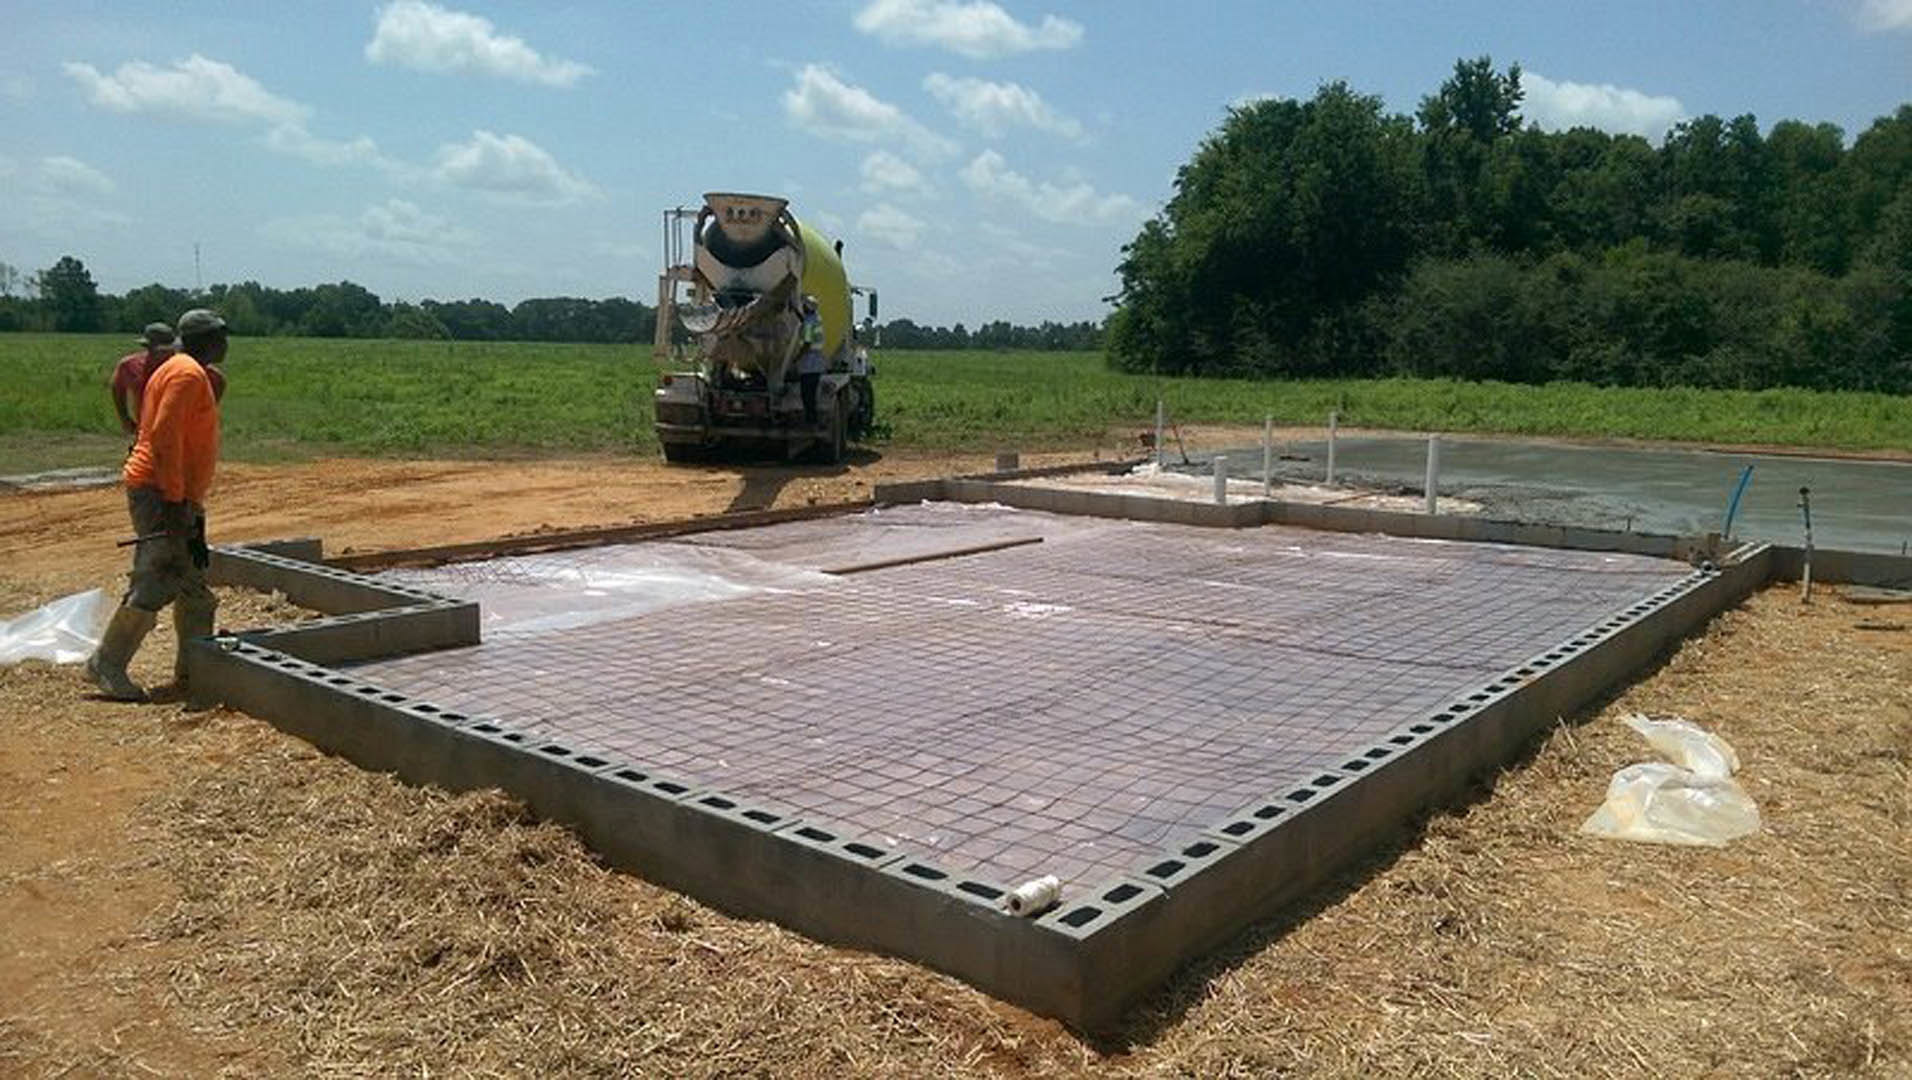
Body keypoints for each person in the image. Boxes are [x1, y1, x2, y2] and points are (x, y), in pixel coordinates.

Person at [85, 308, 228, 702]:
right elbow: (164, 437)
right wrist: (172, 503)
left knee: (194, 581)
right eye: (220, 336)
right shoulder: (185, 373)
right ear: (205, 341)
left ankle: (195, 671)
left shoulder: (178, 368)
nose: (226, 344)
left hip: (178, 495)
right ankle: (107, 664)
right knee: (158, 576)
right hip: (162, 493)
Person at [109, 323, 176, 436]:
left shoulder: (183, 367)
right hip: (145, 429)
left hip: (179, 430)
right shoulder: (129, 365)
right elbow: (117, 388)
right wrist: (124, 417)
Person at [797, 294, 825, 426]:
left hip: (809, 362)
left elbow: (807, 343)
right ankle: (812, 420)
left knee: (807, 394)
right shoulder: (817, 318)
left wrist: (795, 358)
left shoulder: (808, 323)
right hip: (816, 362)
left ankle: (810, 420)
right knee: (812, 394)